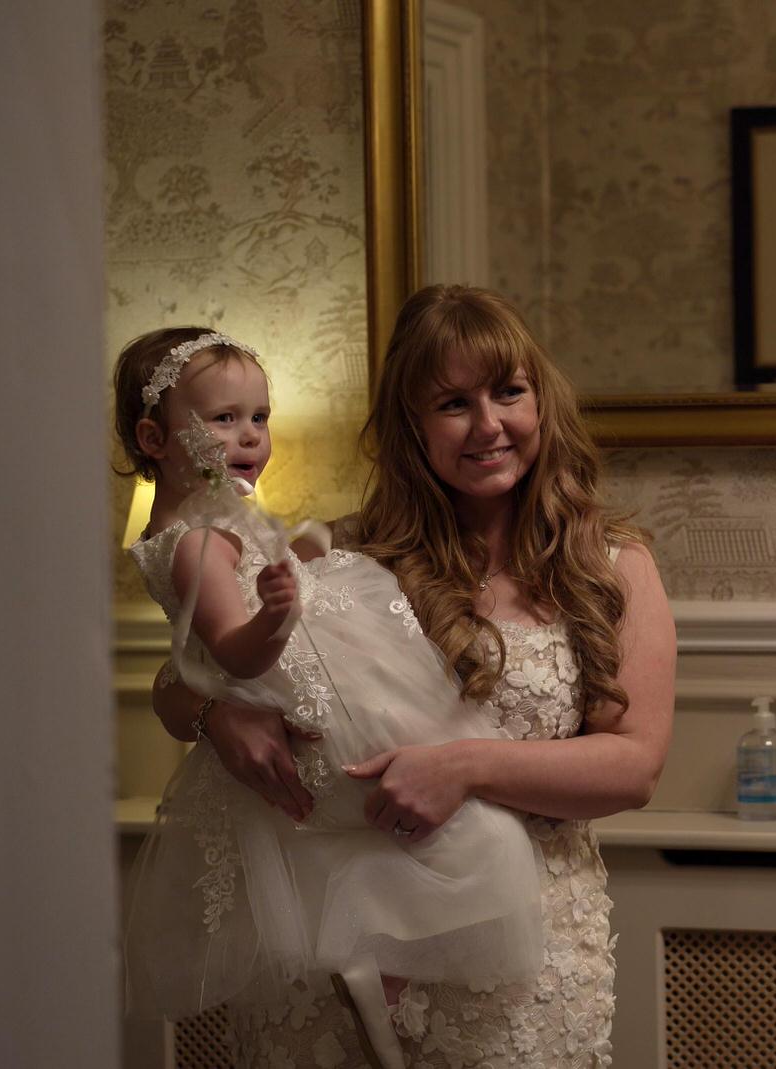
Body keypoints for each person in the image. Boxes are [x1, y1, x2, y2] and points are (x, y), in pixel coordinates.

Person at [152, 285, 677, 1067]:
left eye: (508, 391)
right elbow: (179, 678)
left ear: (542, 401)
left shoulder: (612, 565)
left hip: (521, 964)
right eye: (454, 403)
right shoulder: (342, 551)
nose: (488, 424)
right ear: (411, 424)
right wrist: (217, 714)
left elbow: (635, 766)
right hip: (340, 957)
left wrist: (461, 767)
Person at [116, 328, 546, 1066]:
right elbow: (198, 664)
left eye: (259, 417)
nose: (250, 436)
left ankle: (380, 955)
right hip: (327, 731)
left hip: (527, 914)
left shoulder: (222, 527)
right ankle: (381, 958)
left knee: (458, 836)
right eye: (224, 418)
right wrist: (221, 702)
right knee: (425, 829)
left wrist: (299, 567)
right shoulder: (217, 537)